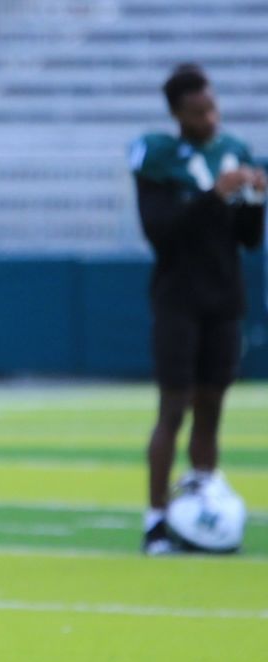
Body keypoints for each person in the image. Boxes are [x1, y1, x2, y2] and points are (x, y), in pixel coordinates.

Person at [129, 63, 265, 555]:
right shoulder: (159, 157)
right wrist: (214, 195)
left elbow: (248, 240)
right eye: (199, 111)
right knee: (174, 408)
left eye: (213, 106)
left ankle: (204, 501)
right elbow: (161, 232)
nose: (211, 118)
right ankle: (156, 520)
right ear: (178, 114)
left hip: (225, 300)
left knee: (212, 408)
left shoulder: (234, 152)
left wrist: (254, 202)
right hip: (178, 300)